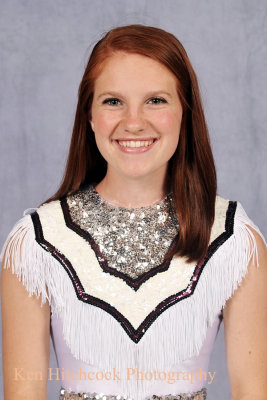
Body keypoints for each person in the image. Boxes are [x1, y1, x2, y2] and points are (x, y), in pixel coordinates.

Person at [1, 24, 266, 400]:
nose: (134, 122)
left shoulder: (234, 240)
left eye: (156, 100)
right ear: (89, 115)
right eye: (113, 101)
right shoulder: (37, 243)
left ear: (185, 113)